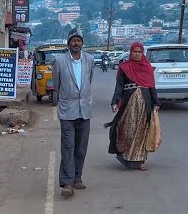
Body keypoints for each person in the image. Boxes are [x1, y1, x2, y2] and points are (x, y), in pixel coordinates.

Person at [52, 27, 95, 197]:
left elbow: (89, 81)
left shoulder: (90, 60)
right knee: (68, 146)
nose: (76, 43)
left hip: (85, 110)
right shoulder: (59, 60)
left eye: (79, 41)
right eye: (73, 41)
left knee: (81, 148)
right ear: (68, 43)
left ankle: (78, 177)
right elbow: (57, 84)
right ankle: (67, 183)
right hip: (67, 110)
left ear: (82, 43)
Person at [106, 41, 160, 171]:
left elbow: (152, 87)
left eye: (139, 52)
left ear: (143, 53)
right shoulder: (125, 67)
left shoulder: (147, 68)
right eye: (134, 52)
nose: (137, 54)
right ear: (131, 53)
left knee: (142, 132)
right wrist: (114, 102)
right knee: (126, 130)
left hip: (144, 104)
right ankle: (126, 155)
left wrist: (156, 103)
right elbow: (119, 86)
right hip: (128, 104)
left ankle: (141, 160)